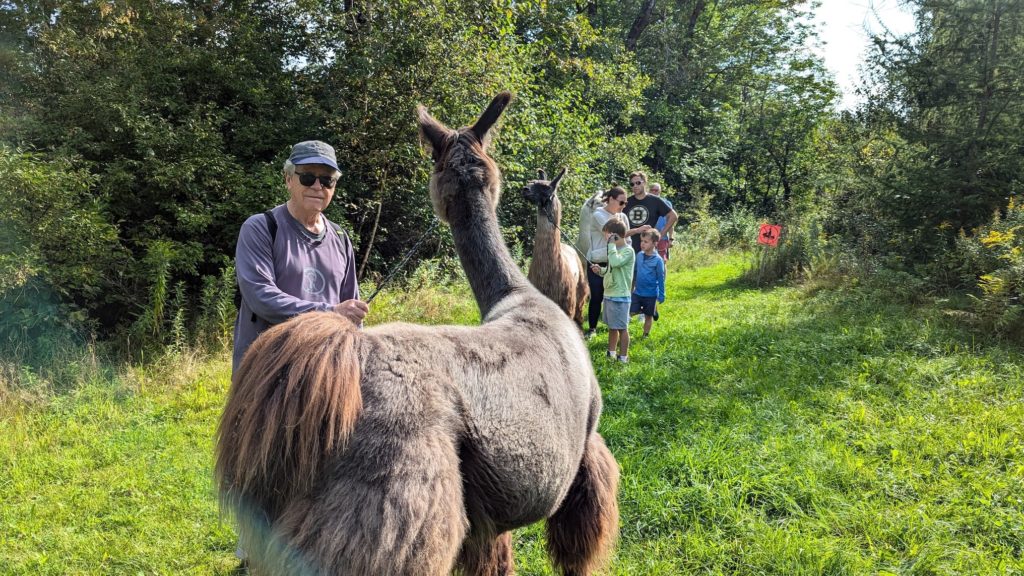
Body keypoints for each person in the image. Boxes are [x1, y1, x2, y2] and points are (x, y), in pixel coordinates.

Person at [581, 186, 648, 339]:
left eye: (625, 203)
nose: (624, 206)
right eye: (621, 202)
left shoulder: (623, 217)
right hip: (599, 261)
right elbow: (613, 236)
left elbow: (626, 240)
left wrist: (625, 255)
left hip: (618, 262)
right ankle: (592, 329)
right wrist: (637, 230)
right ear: (611, 199)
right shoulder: (598, 215)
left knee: (618, 295)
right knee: (597, 297)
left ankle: (617, 326)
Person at [589, 218, 635, 363]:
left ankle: (623, 357)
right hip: (609, 294)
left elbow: (616, 262)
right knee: (612, 327)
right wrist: (601, 270)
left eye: (607, 236)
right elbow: (612, 269)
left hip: (620, 296)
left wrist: (611, 246)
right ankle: (611, 353)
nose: (605, 239)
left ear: (615, 235)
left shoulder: (628, 251)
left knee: (622, 328)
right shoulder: (614, 251)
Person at [624, 171, 678, 255]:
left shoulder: (655, 200)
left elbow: (673, 216)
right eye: (632, 184)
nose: (635, 186)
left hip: (648, 250)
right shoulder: (626, 202)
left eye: (638, 183)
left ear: (644, 183)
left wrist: (660, 235)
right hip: (628, 248)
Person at [631, 230, 666, 338]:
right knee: (631, 312)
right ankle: (651, 309)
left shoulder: (658, 260)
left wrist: (661, 294)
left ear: (655, 243)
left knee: (648, 316)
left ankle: (645, 335)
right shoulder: (639, 255)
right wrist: (632, 287)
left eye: (646, 242)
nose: (642, 244)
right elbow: (635, 272)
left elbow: (661, 278)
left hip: (650, 294)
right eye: (642, 241)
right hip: (638, 292)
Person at [649, 182, 674, 260]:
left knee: (662, 260)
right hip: (648, 237)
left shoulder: (666, 204)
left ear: (660, 191)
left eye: (656, 190)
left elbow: (671, 222)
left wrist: (671, 239)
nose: (654, 192)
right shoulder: (646, 203)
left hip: (662, 237)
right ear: (649, 191)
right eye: (652, 190)